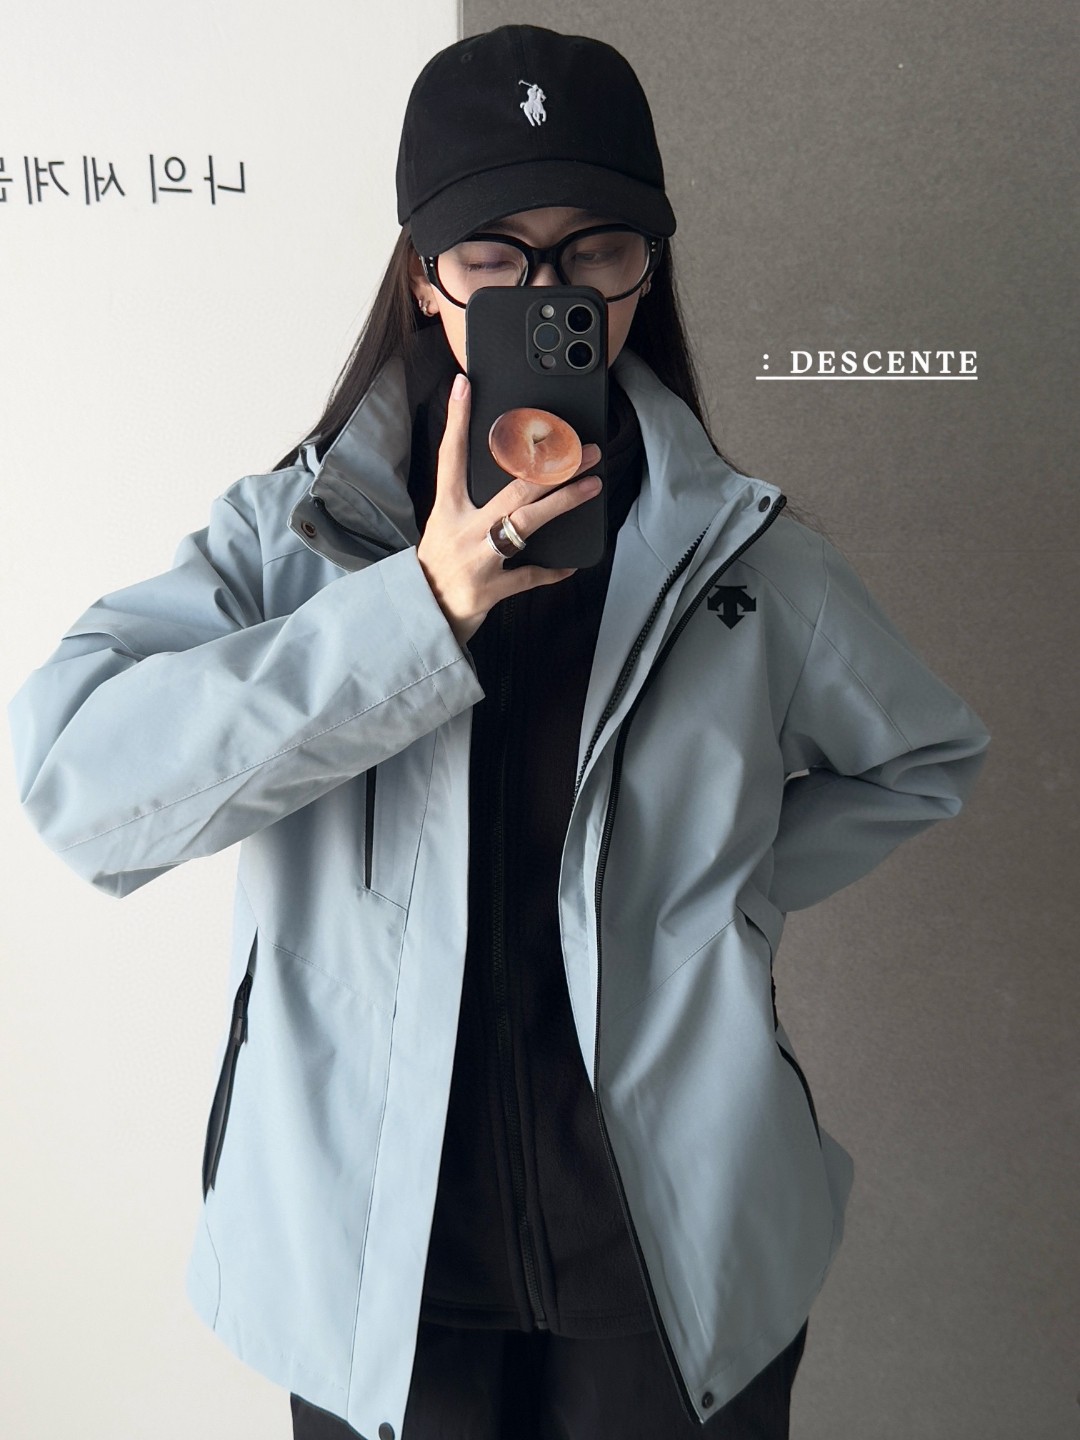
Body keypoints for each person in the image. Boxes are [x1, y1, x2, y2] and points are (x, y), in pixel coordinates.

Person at [8, 23, 990, 1440]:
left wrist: (716, 893)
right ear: (423, 274)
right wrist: (415, 610)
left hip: (671, 1271)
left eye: (597, 250)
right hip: (376, 1277)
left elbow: (922, 759)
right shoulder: (293, 539)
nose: (551, 293)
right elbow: (78, 786)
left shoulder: (741, 556)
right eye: (494, 255)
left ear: (647, 270)